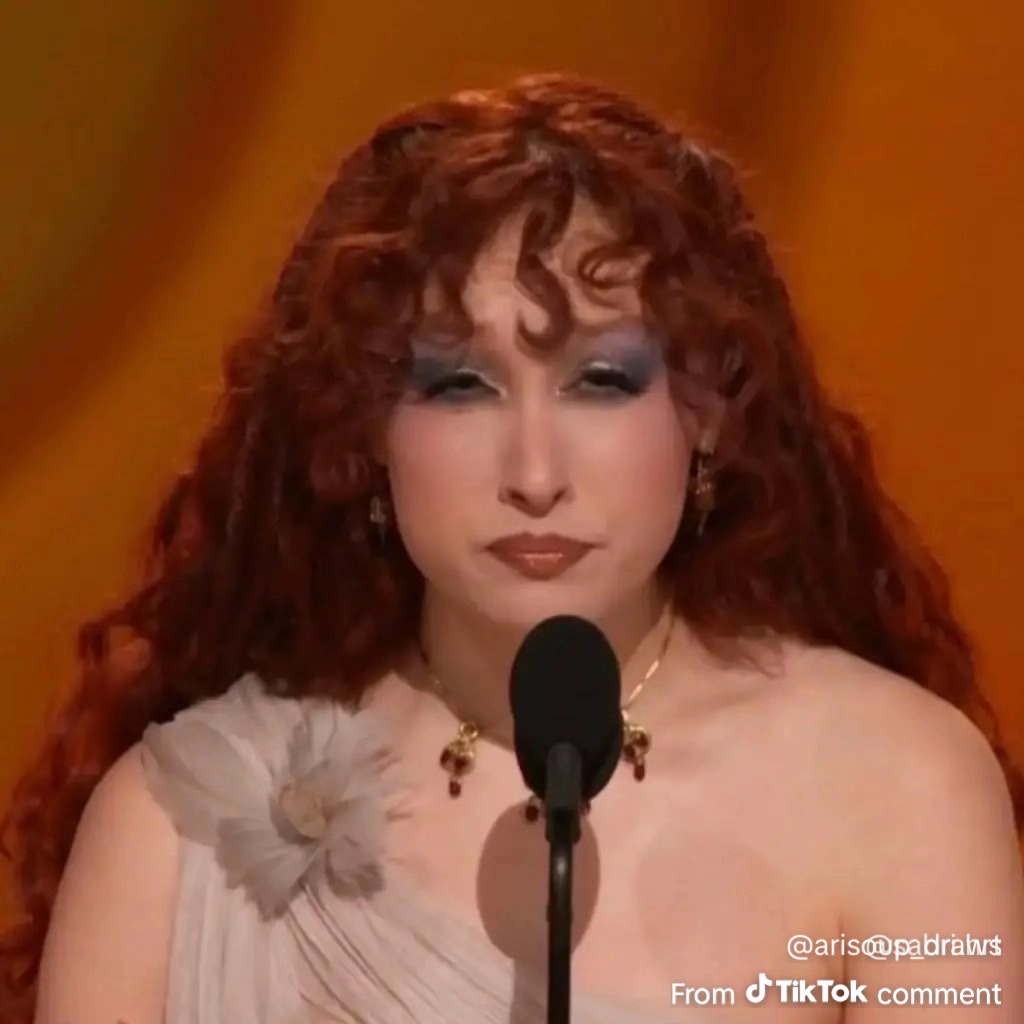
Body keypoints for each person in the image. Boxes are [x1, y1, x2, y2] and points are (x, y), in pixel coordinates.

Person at [1, 72, 1022, 1024]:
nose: (535, 473)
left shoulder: (898, 787)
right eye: (461, 385)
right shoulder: (175, 833)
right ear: (363, 424)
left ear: (708, 406)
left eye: (602, 380)